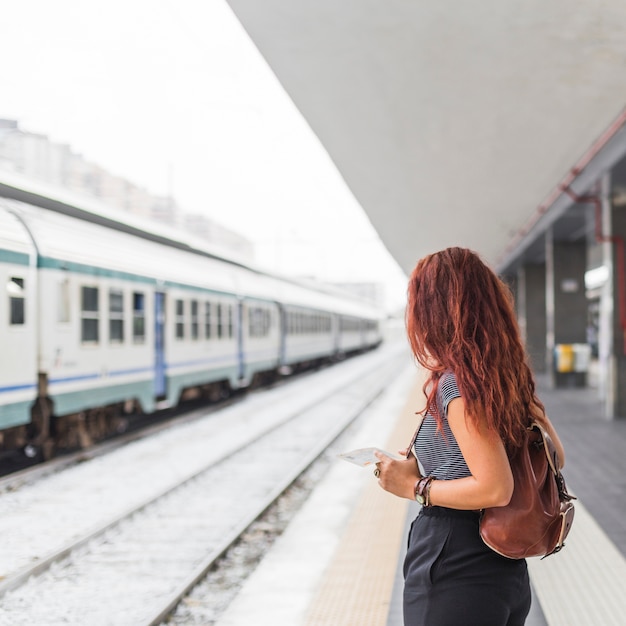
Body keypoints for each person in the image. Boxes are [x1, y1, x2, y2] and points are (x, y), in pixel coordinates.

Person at [374, 247, 565, 626]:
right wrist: (429, 460)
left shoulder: (456, 386)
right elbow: (555, 457)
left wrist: (414, 487)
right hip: (502, 568)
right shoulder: (502, 378)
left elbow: (496, 488)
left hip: (456, 563)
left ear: (434, 312)